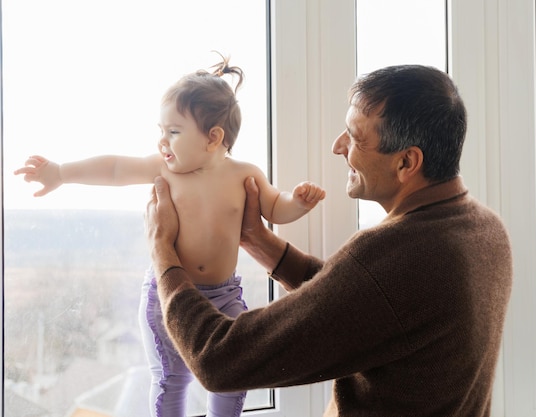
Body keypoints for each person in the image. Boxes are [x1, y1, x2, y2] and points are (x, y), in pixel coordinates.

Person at [145, 64, 513, 417]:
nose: (338, 147)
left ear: (406, 163)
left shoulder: (395, 256)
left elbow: (218, 362)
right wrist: (260, 242)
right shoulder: (485, 230)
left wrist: (163, 252)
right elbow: (371, 307)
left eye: (355, 137)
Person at [14, 54, 326, 417]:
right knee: (170, 379)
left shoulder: (244, 174)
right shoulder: (165, 169)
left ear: (214, 138)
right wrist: (61, 172)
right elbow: (115, 167)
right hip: (167, 297)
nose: (162, 141)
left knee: (233, 375)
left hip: (224, 296)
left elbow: (274, 209)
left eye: (173, 132)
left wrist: (298, 203)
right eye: (160, 130)